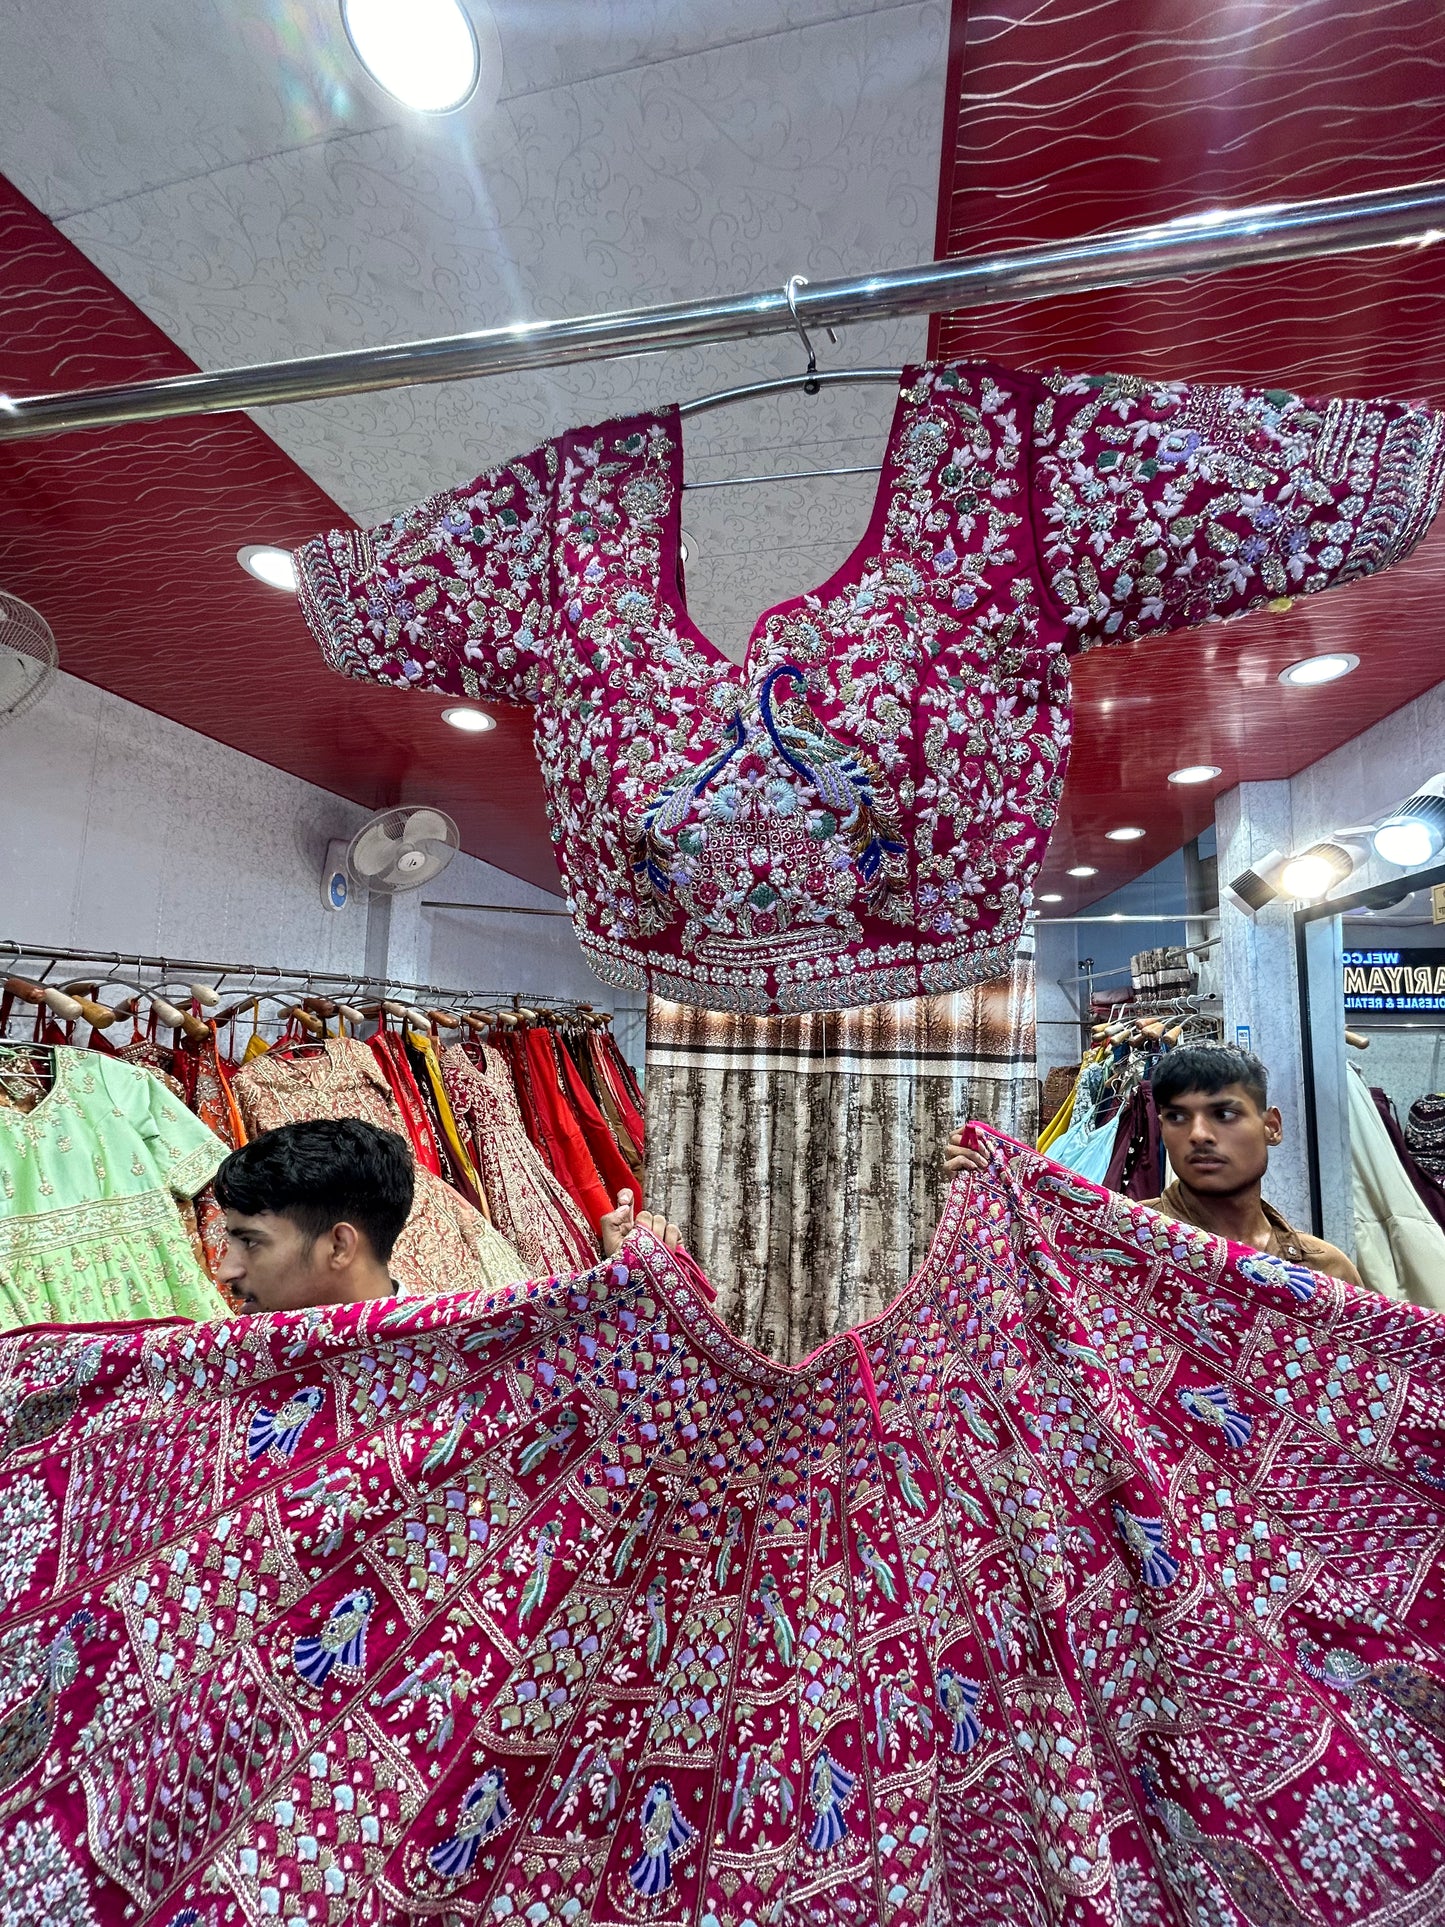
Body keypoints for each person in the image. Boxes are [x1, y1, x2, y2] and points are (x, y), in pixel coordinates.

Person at [944, 1044, 1362, 1286]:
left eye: (1225, 1114)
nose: (1199, 1134)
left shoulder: (1324, 1270)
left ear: (1271, 1126)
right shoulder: (1117, 1246)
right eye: (1178, 1117)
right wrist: (989, 1209)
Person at [215, 1118, 682, 1315]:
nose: (224, 1270)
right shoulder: (216, 1367)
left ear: (339, 1245)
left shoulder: (462, 1356)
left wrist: (633, 1285)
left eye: (251, 1241)